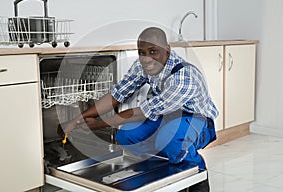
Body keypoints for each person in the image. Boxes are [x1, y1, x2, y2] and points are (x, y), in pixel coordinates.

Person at [62, 27, 218, 191]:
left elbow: (141, 112)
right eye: (141, 52)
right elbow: (117, 94)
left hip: (197, 120)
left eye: (153, 51)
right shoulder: (143, 65)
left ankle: (198, 174)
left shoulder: (183, 77)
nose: (146, 58)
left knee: (173, 141)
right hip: (165, 116)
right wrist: (77, 119)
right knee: (126, 135)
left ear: (167, 50)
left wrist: (97, 124)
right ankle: (165, 169)